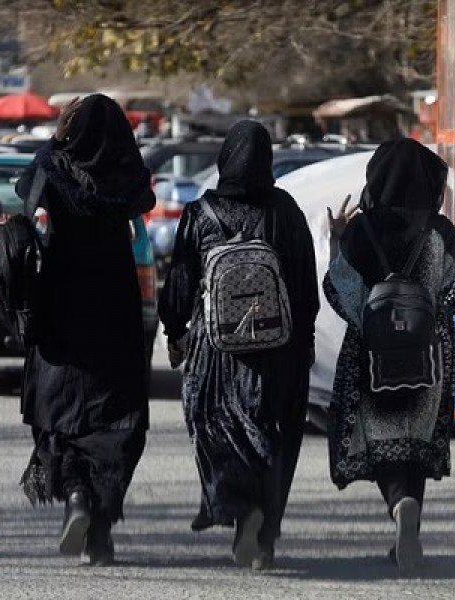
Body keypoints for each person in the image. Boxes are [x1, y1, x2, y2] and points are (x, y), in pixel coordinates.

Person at [159, 120, 319, 571]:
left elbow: (181, 284)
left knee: (215, 429)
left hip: (217, 354)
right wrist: (304, 341)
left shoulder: (200, 213)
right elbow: (304, 285)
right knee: (274, 437)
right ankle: (265, 534)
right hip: (276, 351)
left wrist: (175, 332)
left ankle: (237, 509)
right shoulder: (285, 211)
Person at [323, 138, 455, 574]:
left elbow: (340, 291)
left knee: (383, 437)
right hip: (430, 355)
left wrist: (338, 240)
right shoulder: (440, 231)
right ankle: (409, 518)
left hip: (373, 356)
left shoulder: (360, 230)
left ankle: (397, 504)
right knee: (416, 439)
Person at [15, 94, 156, 566]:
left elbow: (25, 185)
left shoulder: (56, 169)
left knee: (61, 411)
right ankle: (99, 531)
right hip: (114, 301)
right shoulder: (127, 175)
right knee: (116, 415)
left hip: (61, 299)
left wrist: (55, 141)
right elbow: (144, 196)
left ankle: (76, 495)